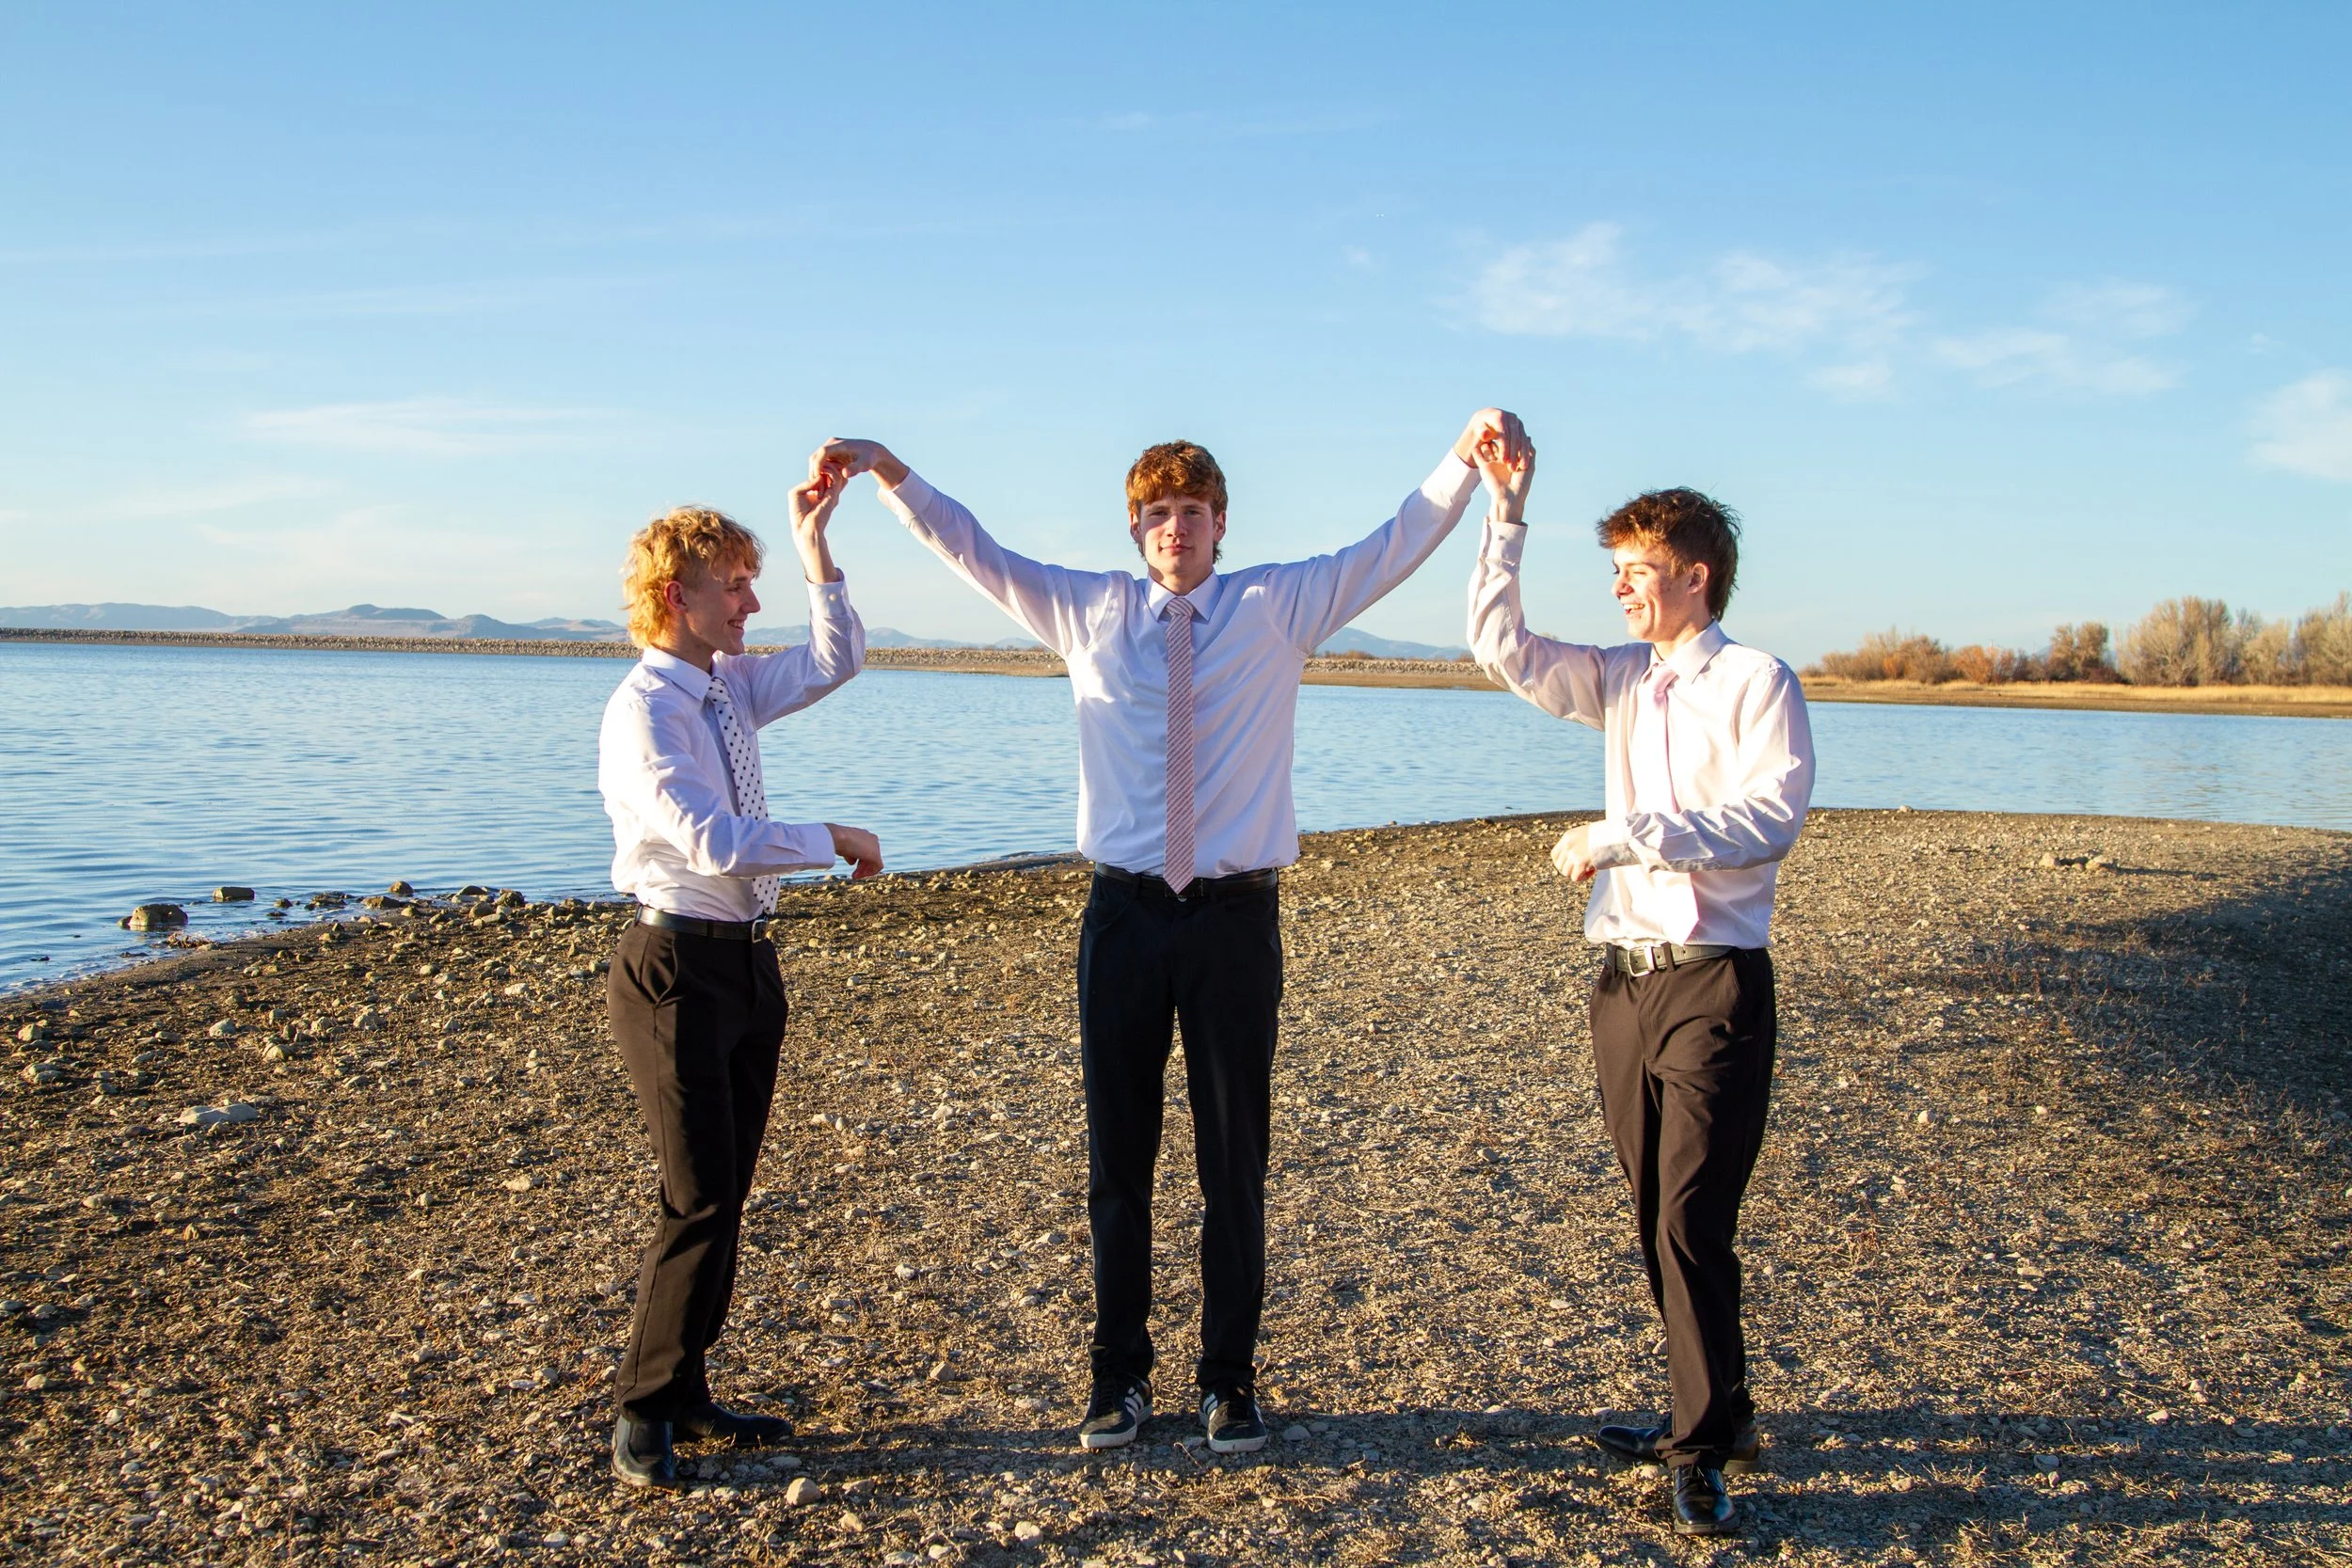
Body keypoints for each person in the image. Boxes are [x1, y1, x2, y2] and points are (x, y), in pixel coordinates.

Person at [813, 412, 1525, 1455]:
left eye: (1190, 512)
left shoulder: (1277, 604)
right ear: (1136, 529)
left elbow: (1393, 540)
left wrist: (1463, 461)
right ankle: (1118, 1378)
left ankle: (1228, 1382)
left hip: (1236, 918)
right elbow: (973, 546)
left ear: (1219, 523)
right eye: (1155, 514)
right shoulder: (1086, 610)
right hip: (1124, 916)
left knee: (1233, 1157)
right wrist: (885, 472)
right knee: (1119, 1159)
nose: (1173, 529)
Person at [1466, 439, 1813, 1537]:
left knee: (1690, 1215)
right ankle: (1713, 1406)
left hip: (1714, 984)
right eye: (1613, 566)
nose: (1618, 583)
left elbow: (1772, 819)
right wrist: (1506, 513)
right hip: (1621, 986)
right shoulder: (1620, 678)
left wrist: (1629, 835)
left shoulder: (1757, 681)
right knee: (1651, 1213)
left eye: (1634, 565)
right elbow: (1500, 646)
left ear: (1694, 574)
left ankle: (1702, 1440)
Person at [596, 471, 884, 1490]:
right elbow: (708, 841)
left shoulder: (723, 686)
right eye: (735, 586)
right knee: (698, 1194)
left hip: (746, 965)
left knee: (729, 1188)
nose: (749, 605)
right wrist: (828, 836)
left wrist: (816, 551)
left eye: (755, 584)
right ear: (678, 593)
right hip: (673, 967)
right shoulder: (646, 712)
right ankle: (641, 1405)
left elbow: (834, 658)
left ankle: (686, 1385)